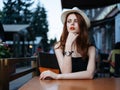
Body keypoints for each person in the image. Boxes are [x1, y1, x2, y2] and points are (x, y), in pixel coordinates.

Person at [39, 7, 96, 80]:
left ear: (81, 25)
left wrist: (57, 76)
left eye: (76, 21)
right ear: (66, 25)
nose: (72, 23)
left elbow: (90, 74)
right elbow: (66, 73)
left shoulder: (91, 48)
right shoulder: (59, 46)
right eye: (69, 21)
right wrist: (68, 44)